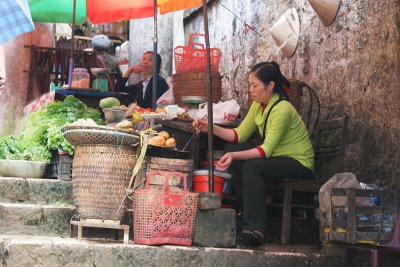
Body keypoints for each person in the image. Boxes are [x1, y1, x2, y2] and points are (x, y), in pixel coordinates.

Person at [193, 61, 314, 246]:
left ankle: (255, 228)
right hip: (278, 159)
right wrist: (209, 127)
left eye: (255, 85)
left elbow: (266, 150)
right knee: (230, 150)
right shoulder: (259, 105)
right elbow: (238, 135)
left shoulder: (282, 109)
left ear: (270, 85)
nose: (251, 89)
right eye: (250, 84)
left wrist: (235, 156)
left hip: (298, 163)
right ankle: (256, 205)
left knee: (251, 166)